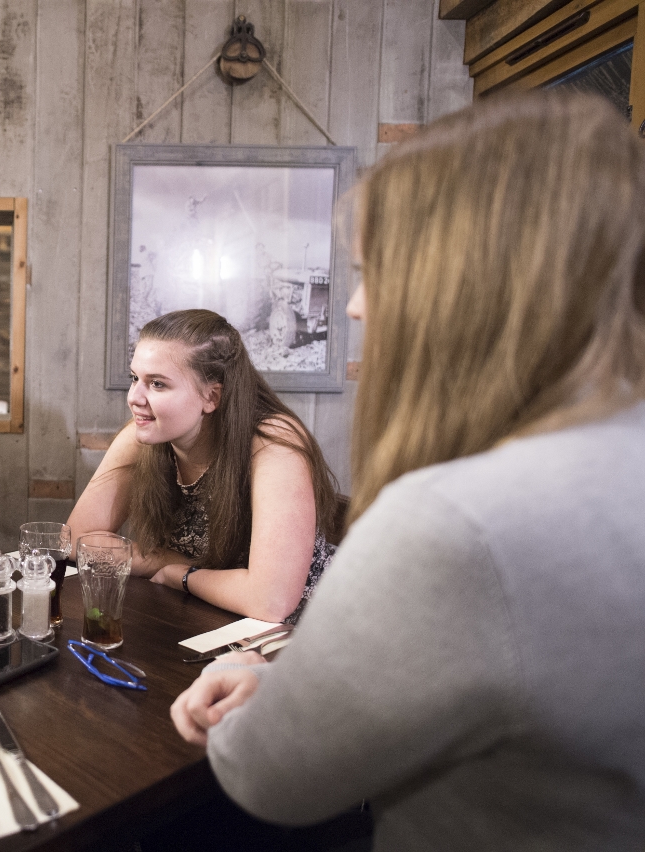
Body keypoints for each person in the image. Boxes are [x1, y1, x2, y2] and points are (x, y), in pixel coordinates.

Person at [171, 92, 645, 848]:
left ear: (458, 282)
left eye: (370, 271)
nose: (354, 307)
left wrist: (263, 702)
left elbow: (274, 774)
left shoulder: (459, 523)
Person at [67, 309, 338, 624]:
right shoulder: (143, 435)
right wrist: (162, 560)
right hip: (207, 617)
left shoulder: (272, 441)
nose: (134, 397)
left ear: (212, 396)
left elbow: (271, 601)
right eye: (135, 378)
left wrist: (180, 575)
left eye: (157, 384)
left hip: (309, 630)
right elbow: (76, 539)